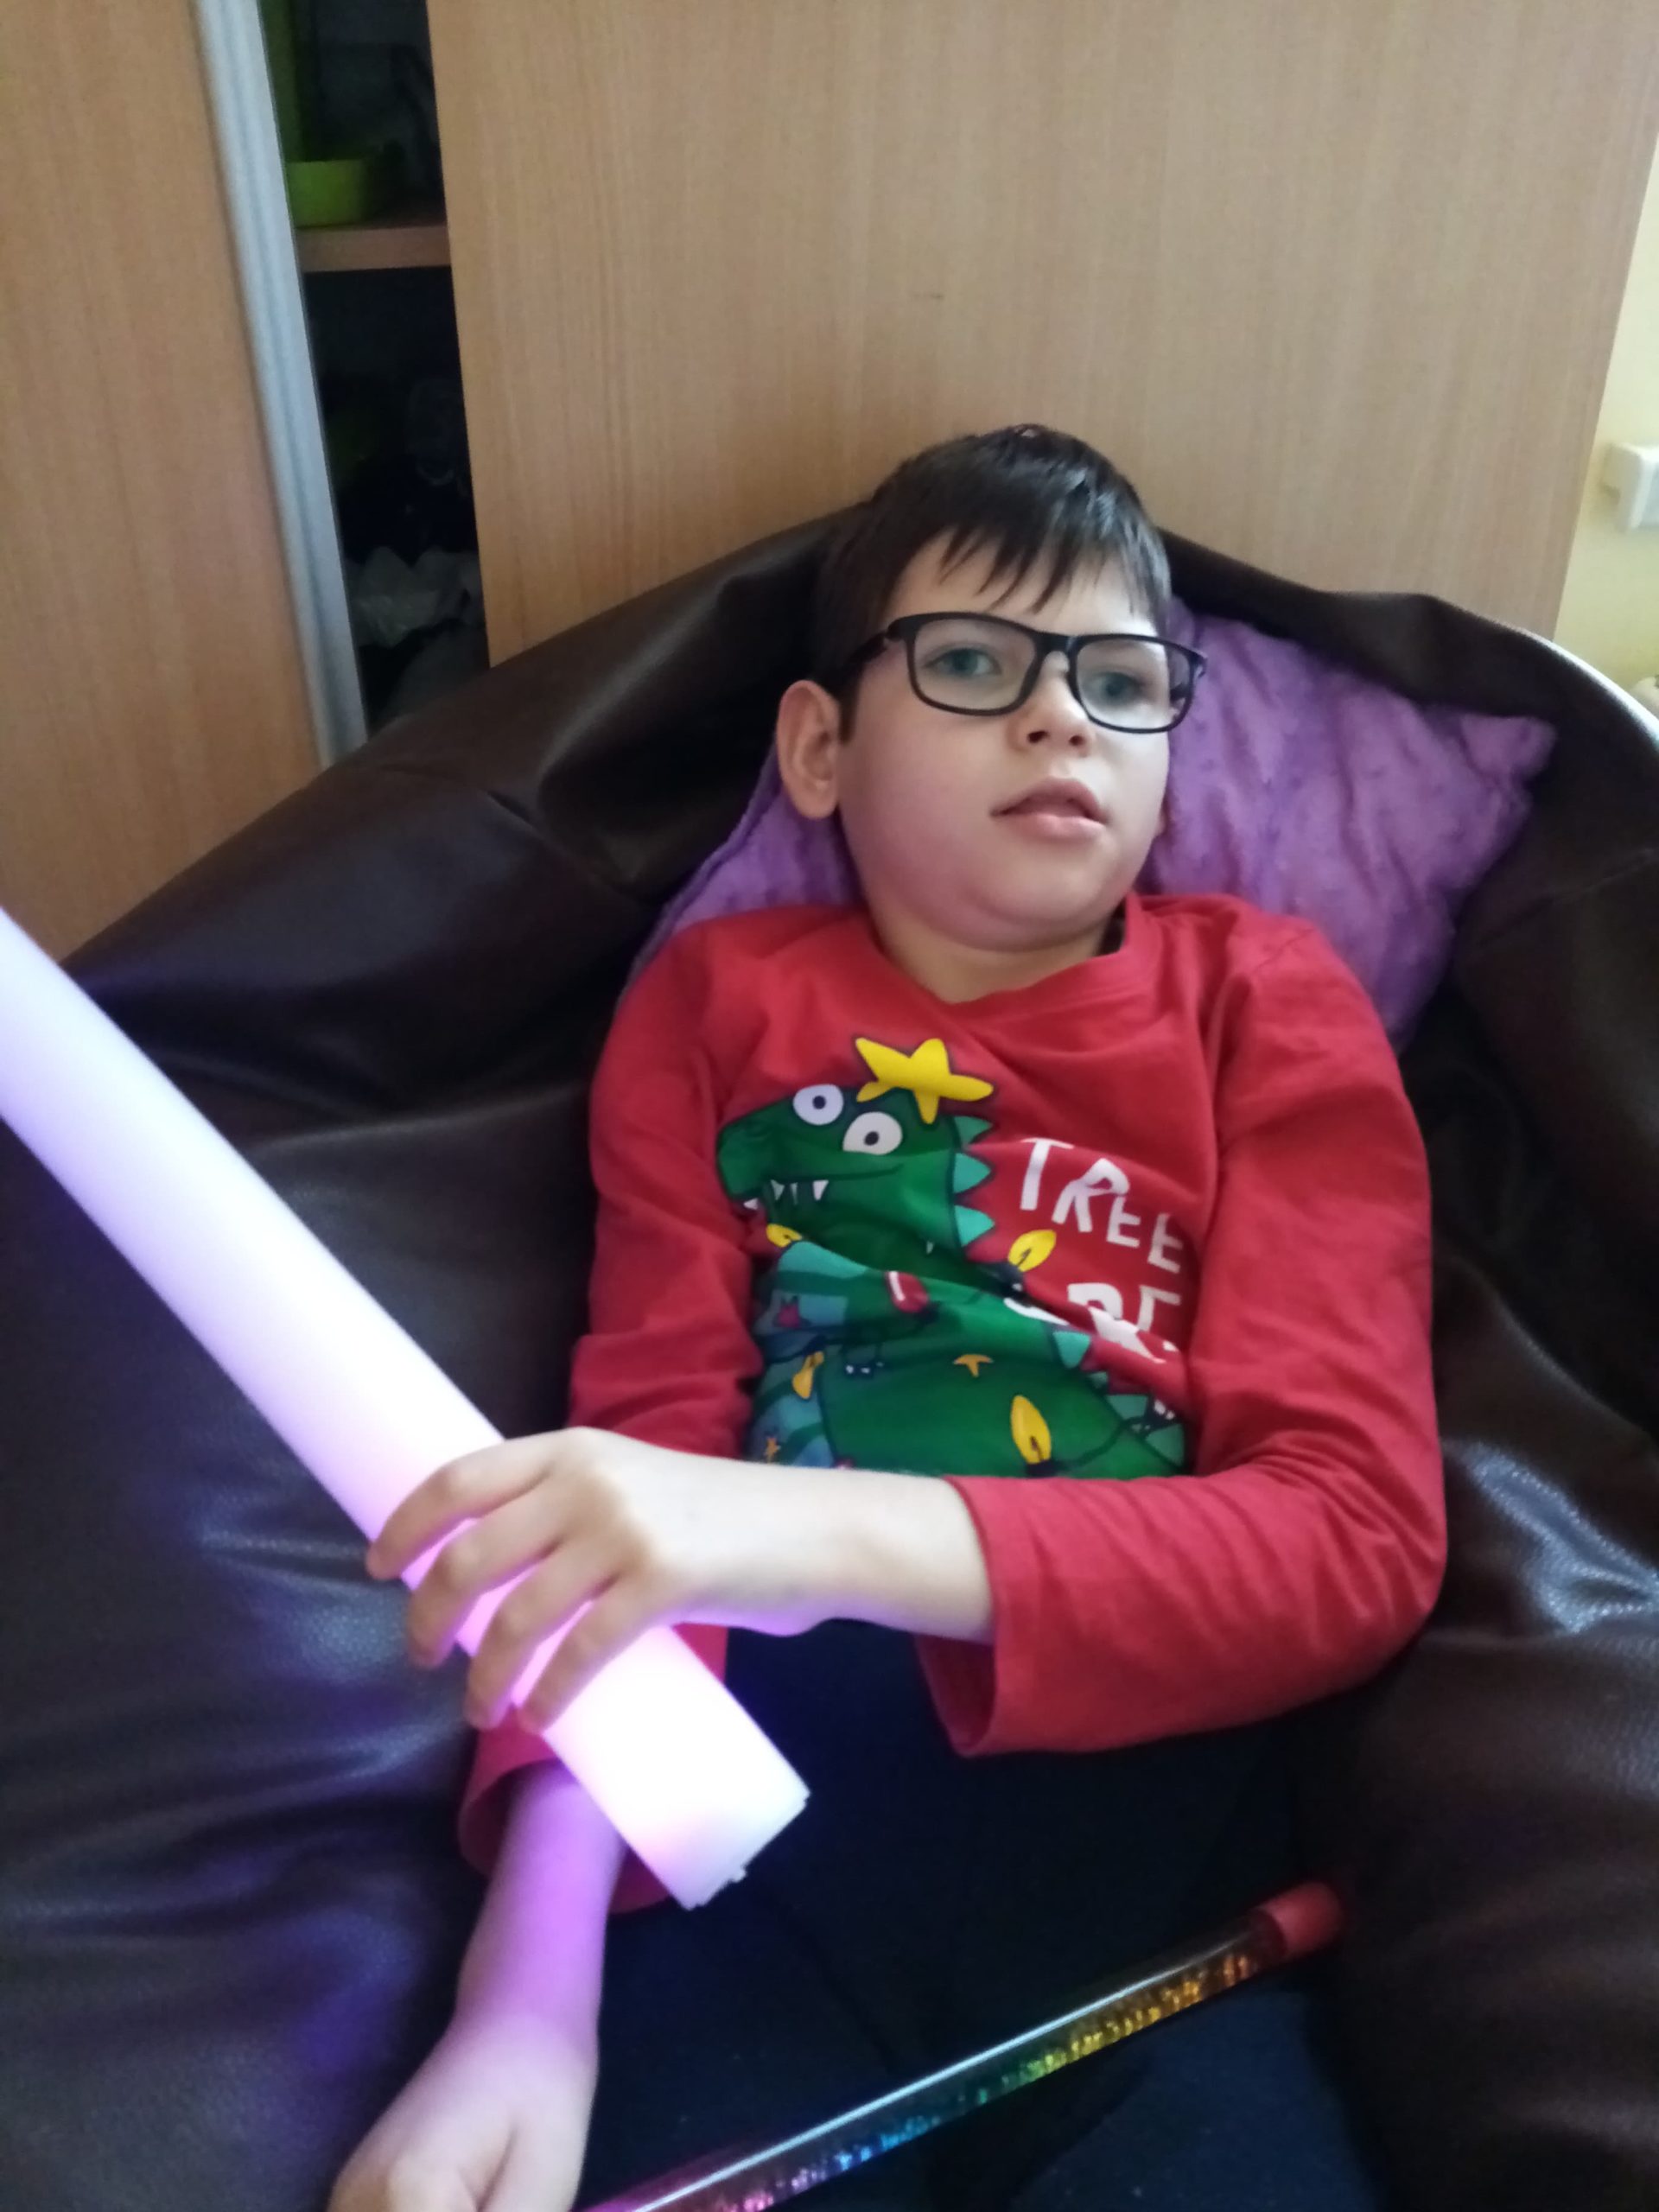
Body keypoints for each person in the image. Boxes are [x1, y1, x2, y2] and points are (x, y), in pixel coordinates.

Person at [330, 425, 1444, 2212]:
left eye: (1121, 682)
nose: (1062, 717)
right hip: (757, 1852)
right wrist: (526, 2002)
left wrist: (777, 1529)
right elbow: (628, 1499)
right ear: (819, 748)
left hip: (1160, 1880)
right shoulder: (712, 1005)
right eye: (978, 663)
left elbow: (1351, 1536)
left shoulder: (1265, 995)